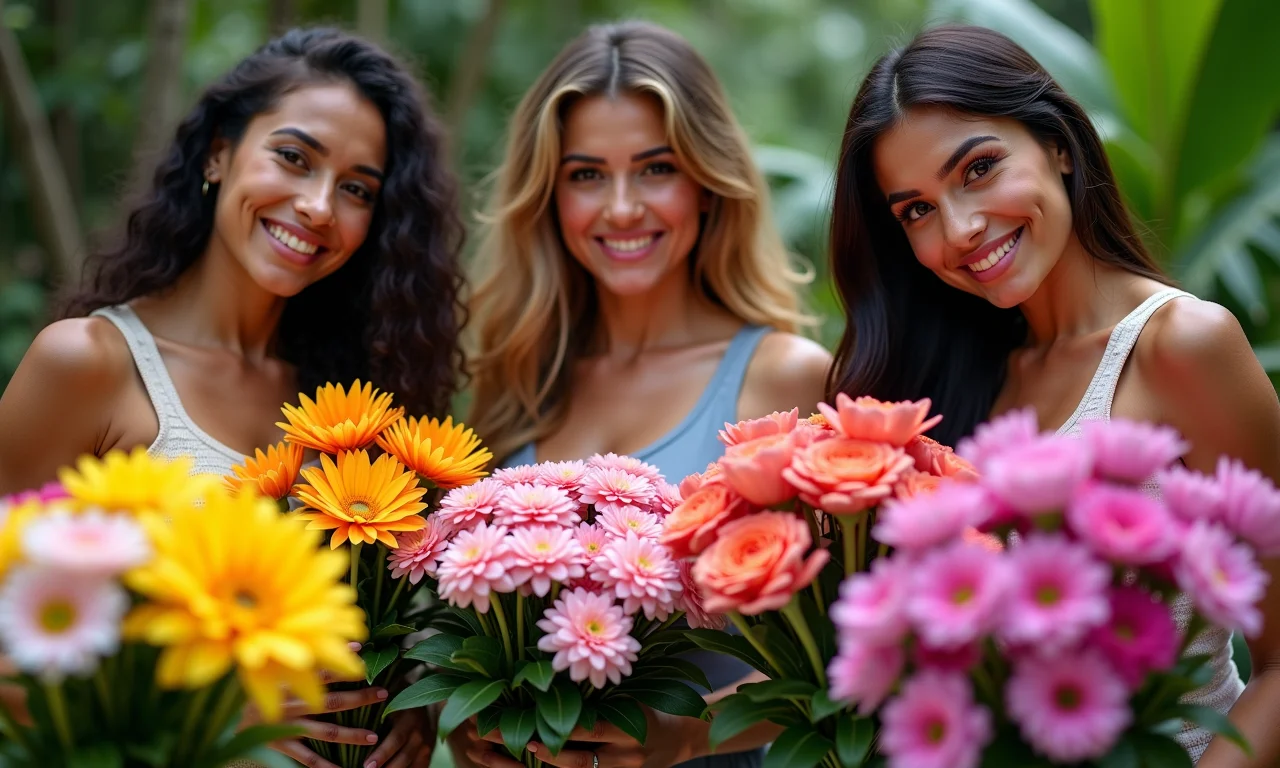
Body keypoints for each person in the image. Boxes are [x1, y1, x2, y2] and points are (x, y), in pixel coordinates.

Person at [0, 27, 463, 768]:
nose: (318, 206)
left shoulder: (353, 413)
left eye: (356, 189)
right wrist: (217, 708)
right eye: (294, 157)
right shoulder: (87, 364)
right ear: (218, 153)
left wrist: (410, 704)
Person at [826, 24, 1280, 766]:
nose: (960, 229)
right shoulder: (941, 387)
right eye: (916, 210)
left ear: (1058, 145)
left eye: (978, 169)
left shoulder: (1182, 346)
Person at [458, 20, 831, 768]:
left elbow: (847, 651)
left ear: (707, 182)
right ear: (549, 195)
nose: (623, 207)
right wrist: (472, 737)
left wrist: (689, 733)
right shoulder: (516, 380)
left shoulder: (784, 378)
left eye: (656, 168)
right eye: (587, 175)